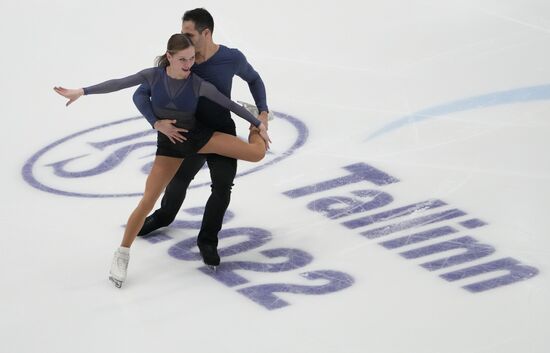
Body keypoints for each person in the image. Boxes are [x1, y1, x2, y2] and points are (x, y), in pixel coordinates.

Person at [54, 33, 271, 288]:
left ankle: (257, 131)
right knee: (147, 200)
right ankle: (122, 254)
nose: (188, 64)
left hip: (198, 137)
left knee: (257, 154)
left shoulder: (198, 84)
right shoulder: (152, 76)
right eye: (182, 59)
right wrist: (82, 91)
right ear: (169, 57)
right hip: (170, 146)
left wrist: (258, 123)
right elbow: (119, 83)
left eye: (191, 59)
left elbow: (229, 105)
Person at [133, 8, 270, 268]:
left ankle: (208, 240)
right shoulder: (180, 60)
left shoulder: (230, 58)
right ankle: (163, 216)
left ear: (205, 33)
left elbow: (254, 78)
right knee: (179, 179)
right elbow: (141, 93)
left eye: (189, 34)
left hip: (221, 131)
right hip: (191, 133)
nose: (183, 38)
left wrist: (261, 112)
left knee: (222, 186)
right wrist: (156, 121)